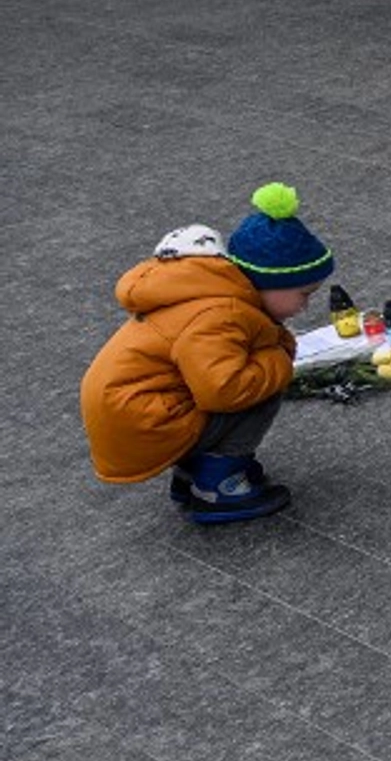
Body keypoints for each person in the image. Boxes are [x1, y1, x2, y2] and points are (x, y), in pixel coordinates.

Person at [80, 185, 331, 525]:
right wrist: (279, 360)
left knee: (251, 375)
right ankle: (217, 487)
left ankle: (194, 470)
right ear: (266, 282)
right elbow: (224, 390)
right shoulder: (220, 315)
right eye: (303, 293)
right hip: (144, 421)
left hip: (136, 409)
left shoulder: (215, 296)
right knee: (261, 388)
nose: (306, 304)